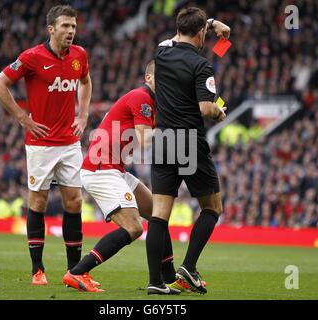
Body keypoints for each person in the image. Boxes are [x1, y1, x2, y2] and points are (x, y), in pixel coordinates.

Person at [0, 5, 92, 285]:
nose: (71, 31)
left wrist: (83, 115)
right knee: (39, 201)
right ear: (51, 29)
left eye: (73, 26)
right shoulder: (32, 57)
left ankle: (75, 272)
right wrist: (23, 117)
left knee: (74, 201)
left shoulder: (79, 55)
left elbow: (85, 80)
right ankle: (38, 270)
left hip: (69, 142)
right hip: (40, 144)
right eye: (65, 27)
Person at [62, 61, 179, 292]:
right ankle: (76, 272)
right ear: (149, 78)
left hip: (114, 168)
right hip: (100, 169)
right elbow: (145, 140)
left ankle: (170, 278)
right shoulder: (142, 98)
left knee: (159, 214)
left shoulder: (156, 102)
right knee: (134, 228)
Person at [146, 7, 230, 294]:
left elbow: (175, 37)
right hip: (189, 142)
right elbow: (207, 108)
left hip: (163, 140)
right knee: (212, 207)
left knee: (159, 215)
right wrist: (220, 113)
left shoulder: (161, 53)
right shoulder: (201, 64)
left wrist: (206, 22)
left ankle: (155, 283)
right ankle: (188, 267)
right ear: (201, 34)